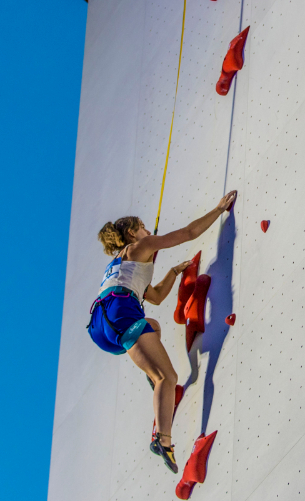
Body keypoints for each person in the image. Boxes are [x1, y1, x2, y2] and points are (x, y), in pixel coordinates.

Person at [87, 190, 238, 473]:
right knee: (167, 377)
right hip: (121, 313)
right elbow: (188, 232)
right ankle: (162, 439)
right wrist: (218, 210)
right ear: (133, 232)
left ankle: (153, 377)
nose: (147, 230)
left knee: (152, 325)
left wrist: (173, 272)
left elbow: (154, 297)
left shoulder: (119, 262)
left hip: (103, 324)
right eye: (142, 226)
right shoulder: (139, 247)